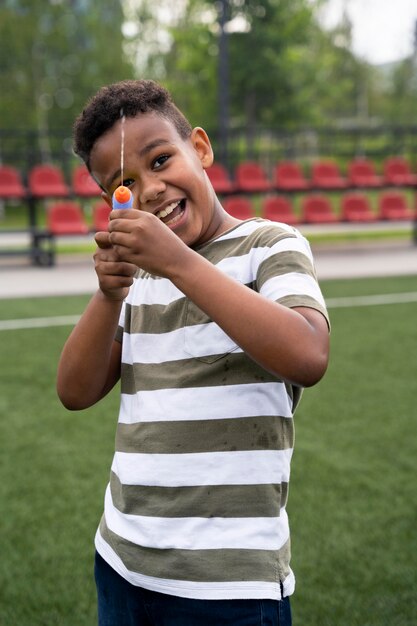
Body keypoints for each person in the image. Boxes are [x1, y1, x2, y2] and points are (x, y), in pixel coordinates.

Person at [57, 79, 330, 626]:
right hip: (122, 561)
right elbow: (75, 390)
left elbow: (308, 354)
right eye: (125, 183)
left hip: (228, 583)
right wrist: (110, 292)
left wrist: (179, 262)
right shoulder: (137, 281)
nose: (152, 189)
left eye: (161, 161)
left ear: (199, 148)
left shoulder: (269, 246)